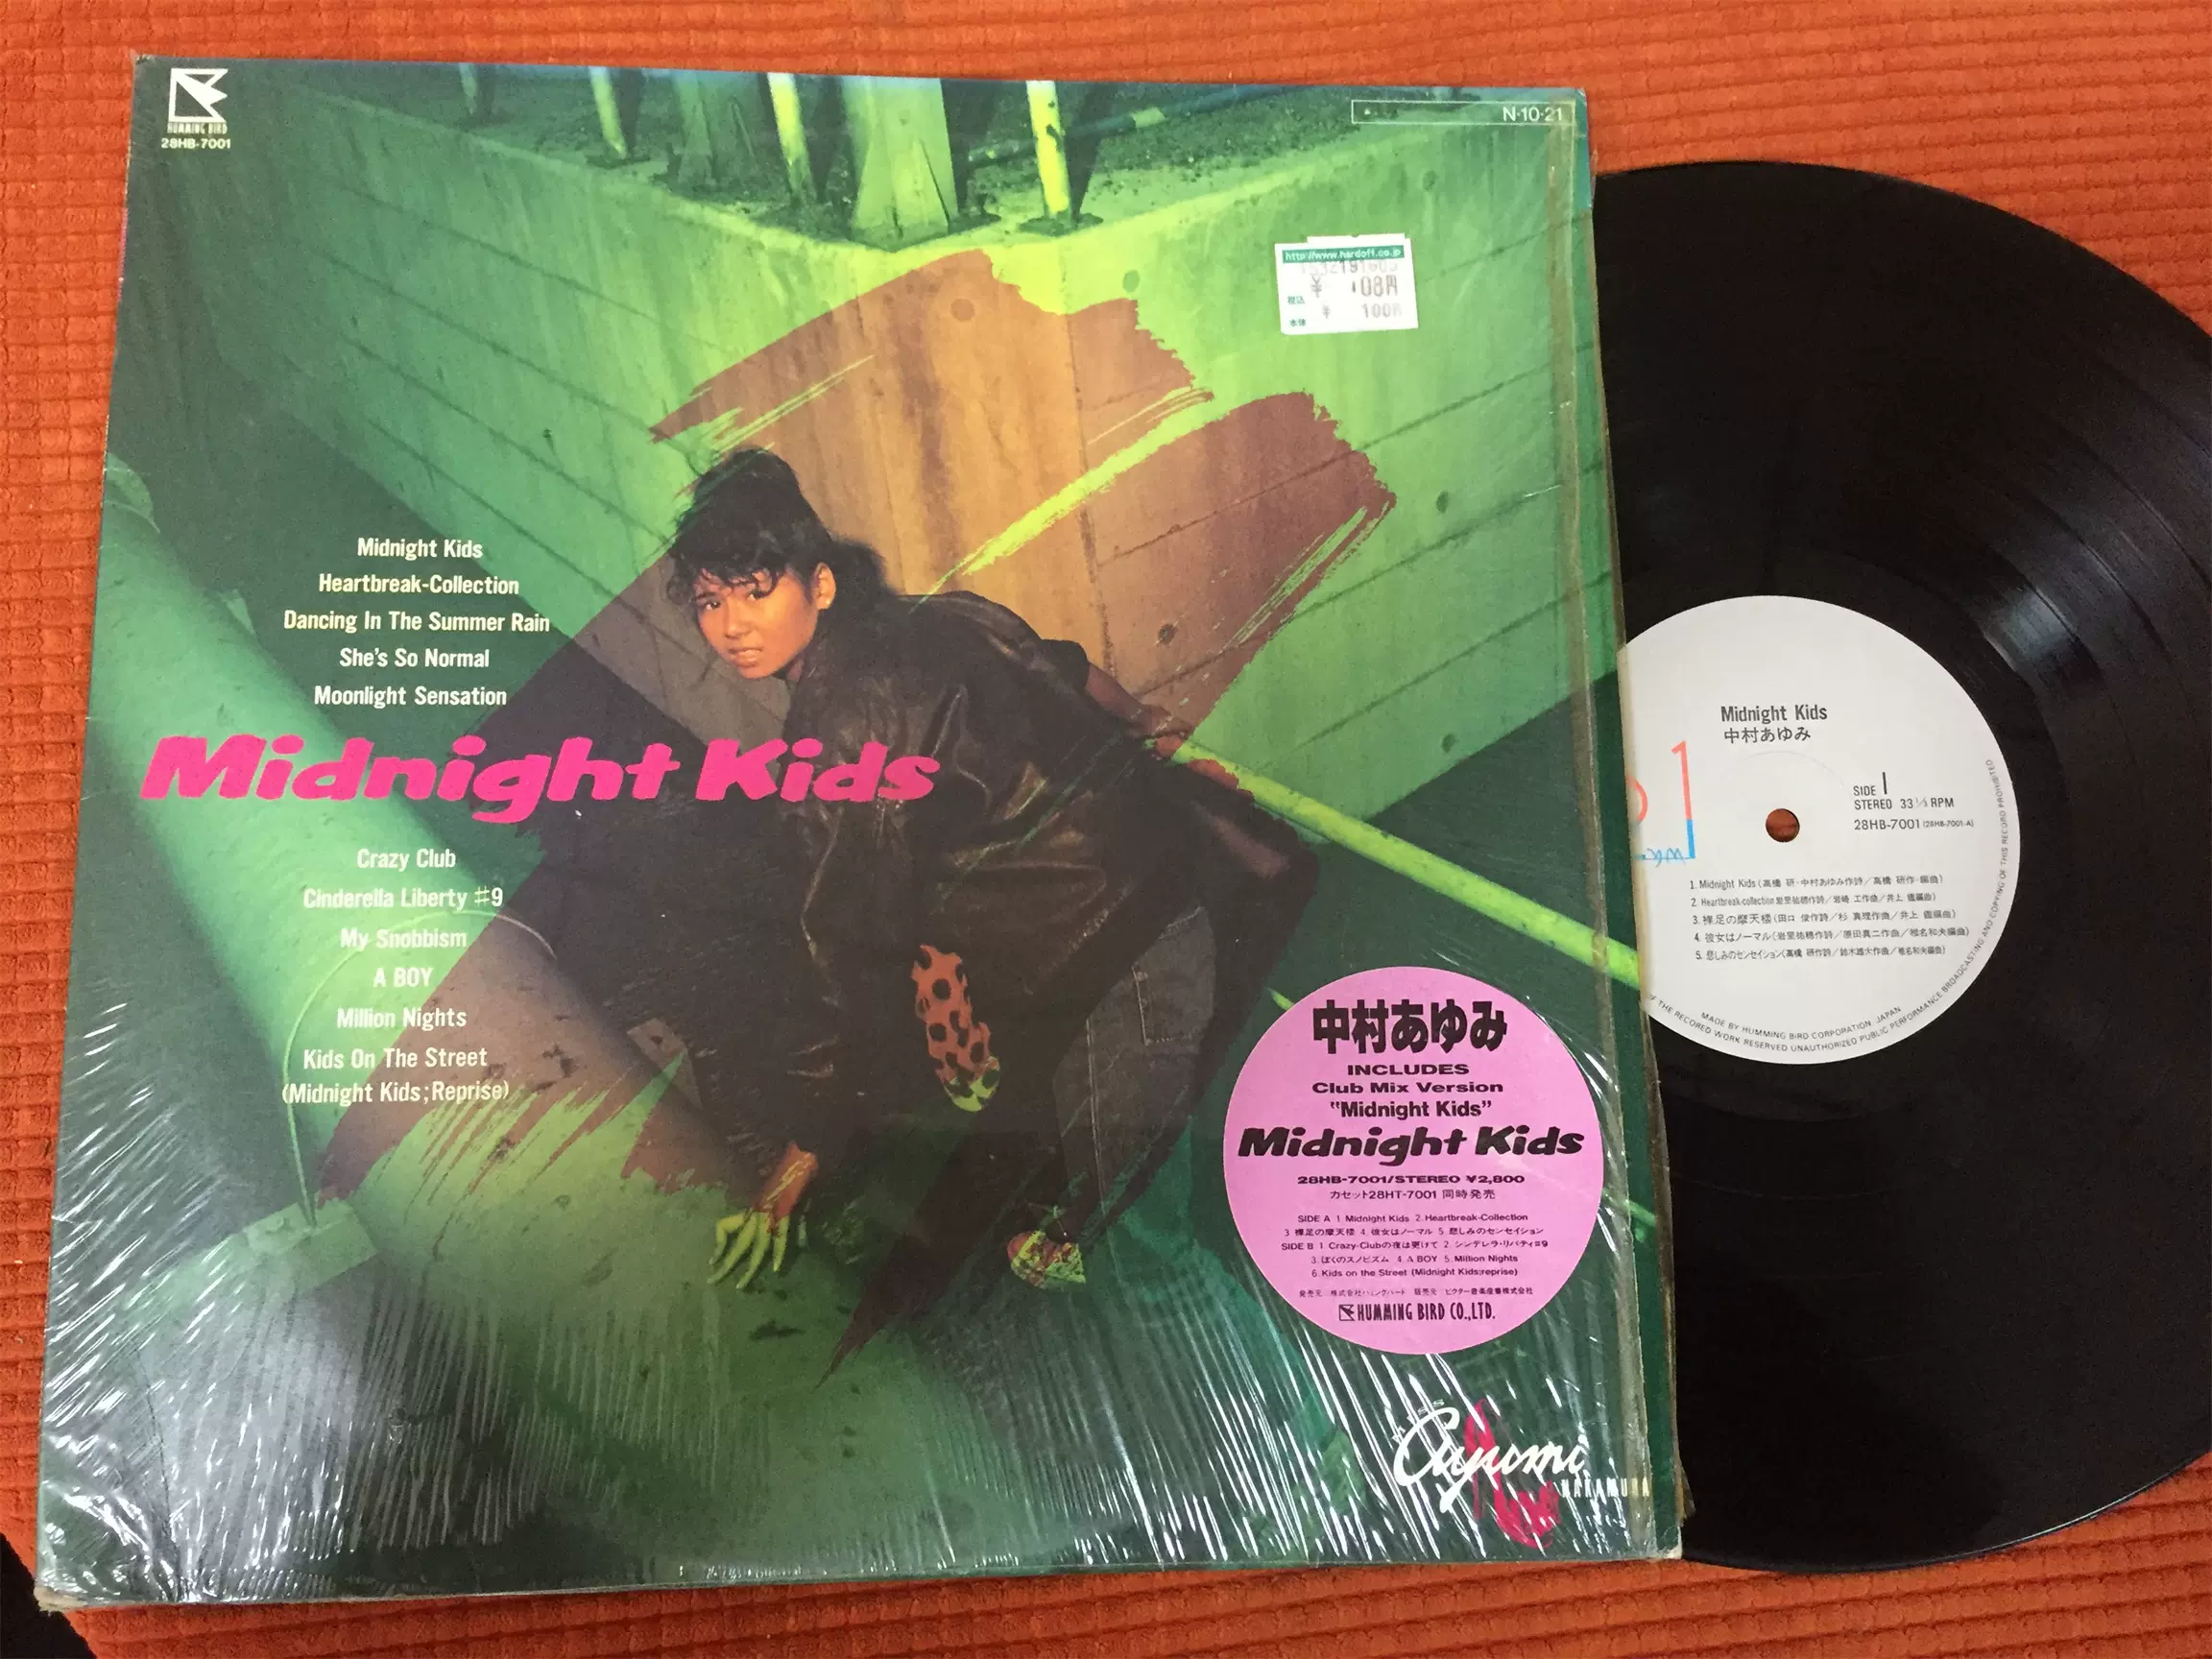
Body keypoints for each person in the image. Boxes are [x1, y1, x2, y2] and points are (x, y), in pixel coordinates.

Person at [666, 449, 1313, 1346]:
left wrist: (789, 1175)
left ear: (819, 584)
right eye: (711, 602)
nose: (733, 626)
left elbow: (843, 969)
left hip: (1118, 961)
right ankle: (1089, 1214)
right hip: (1150, 893)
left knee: (1147, 1250)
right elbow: (1068, 670)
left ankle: (1294, 1416)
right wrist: (1148, 727)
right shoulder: (943, 616)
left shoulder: (838, 741)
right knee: (1101, 1144)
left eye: (754, 590)